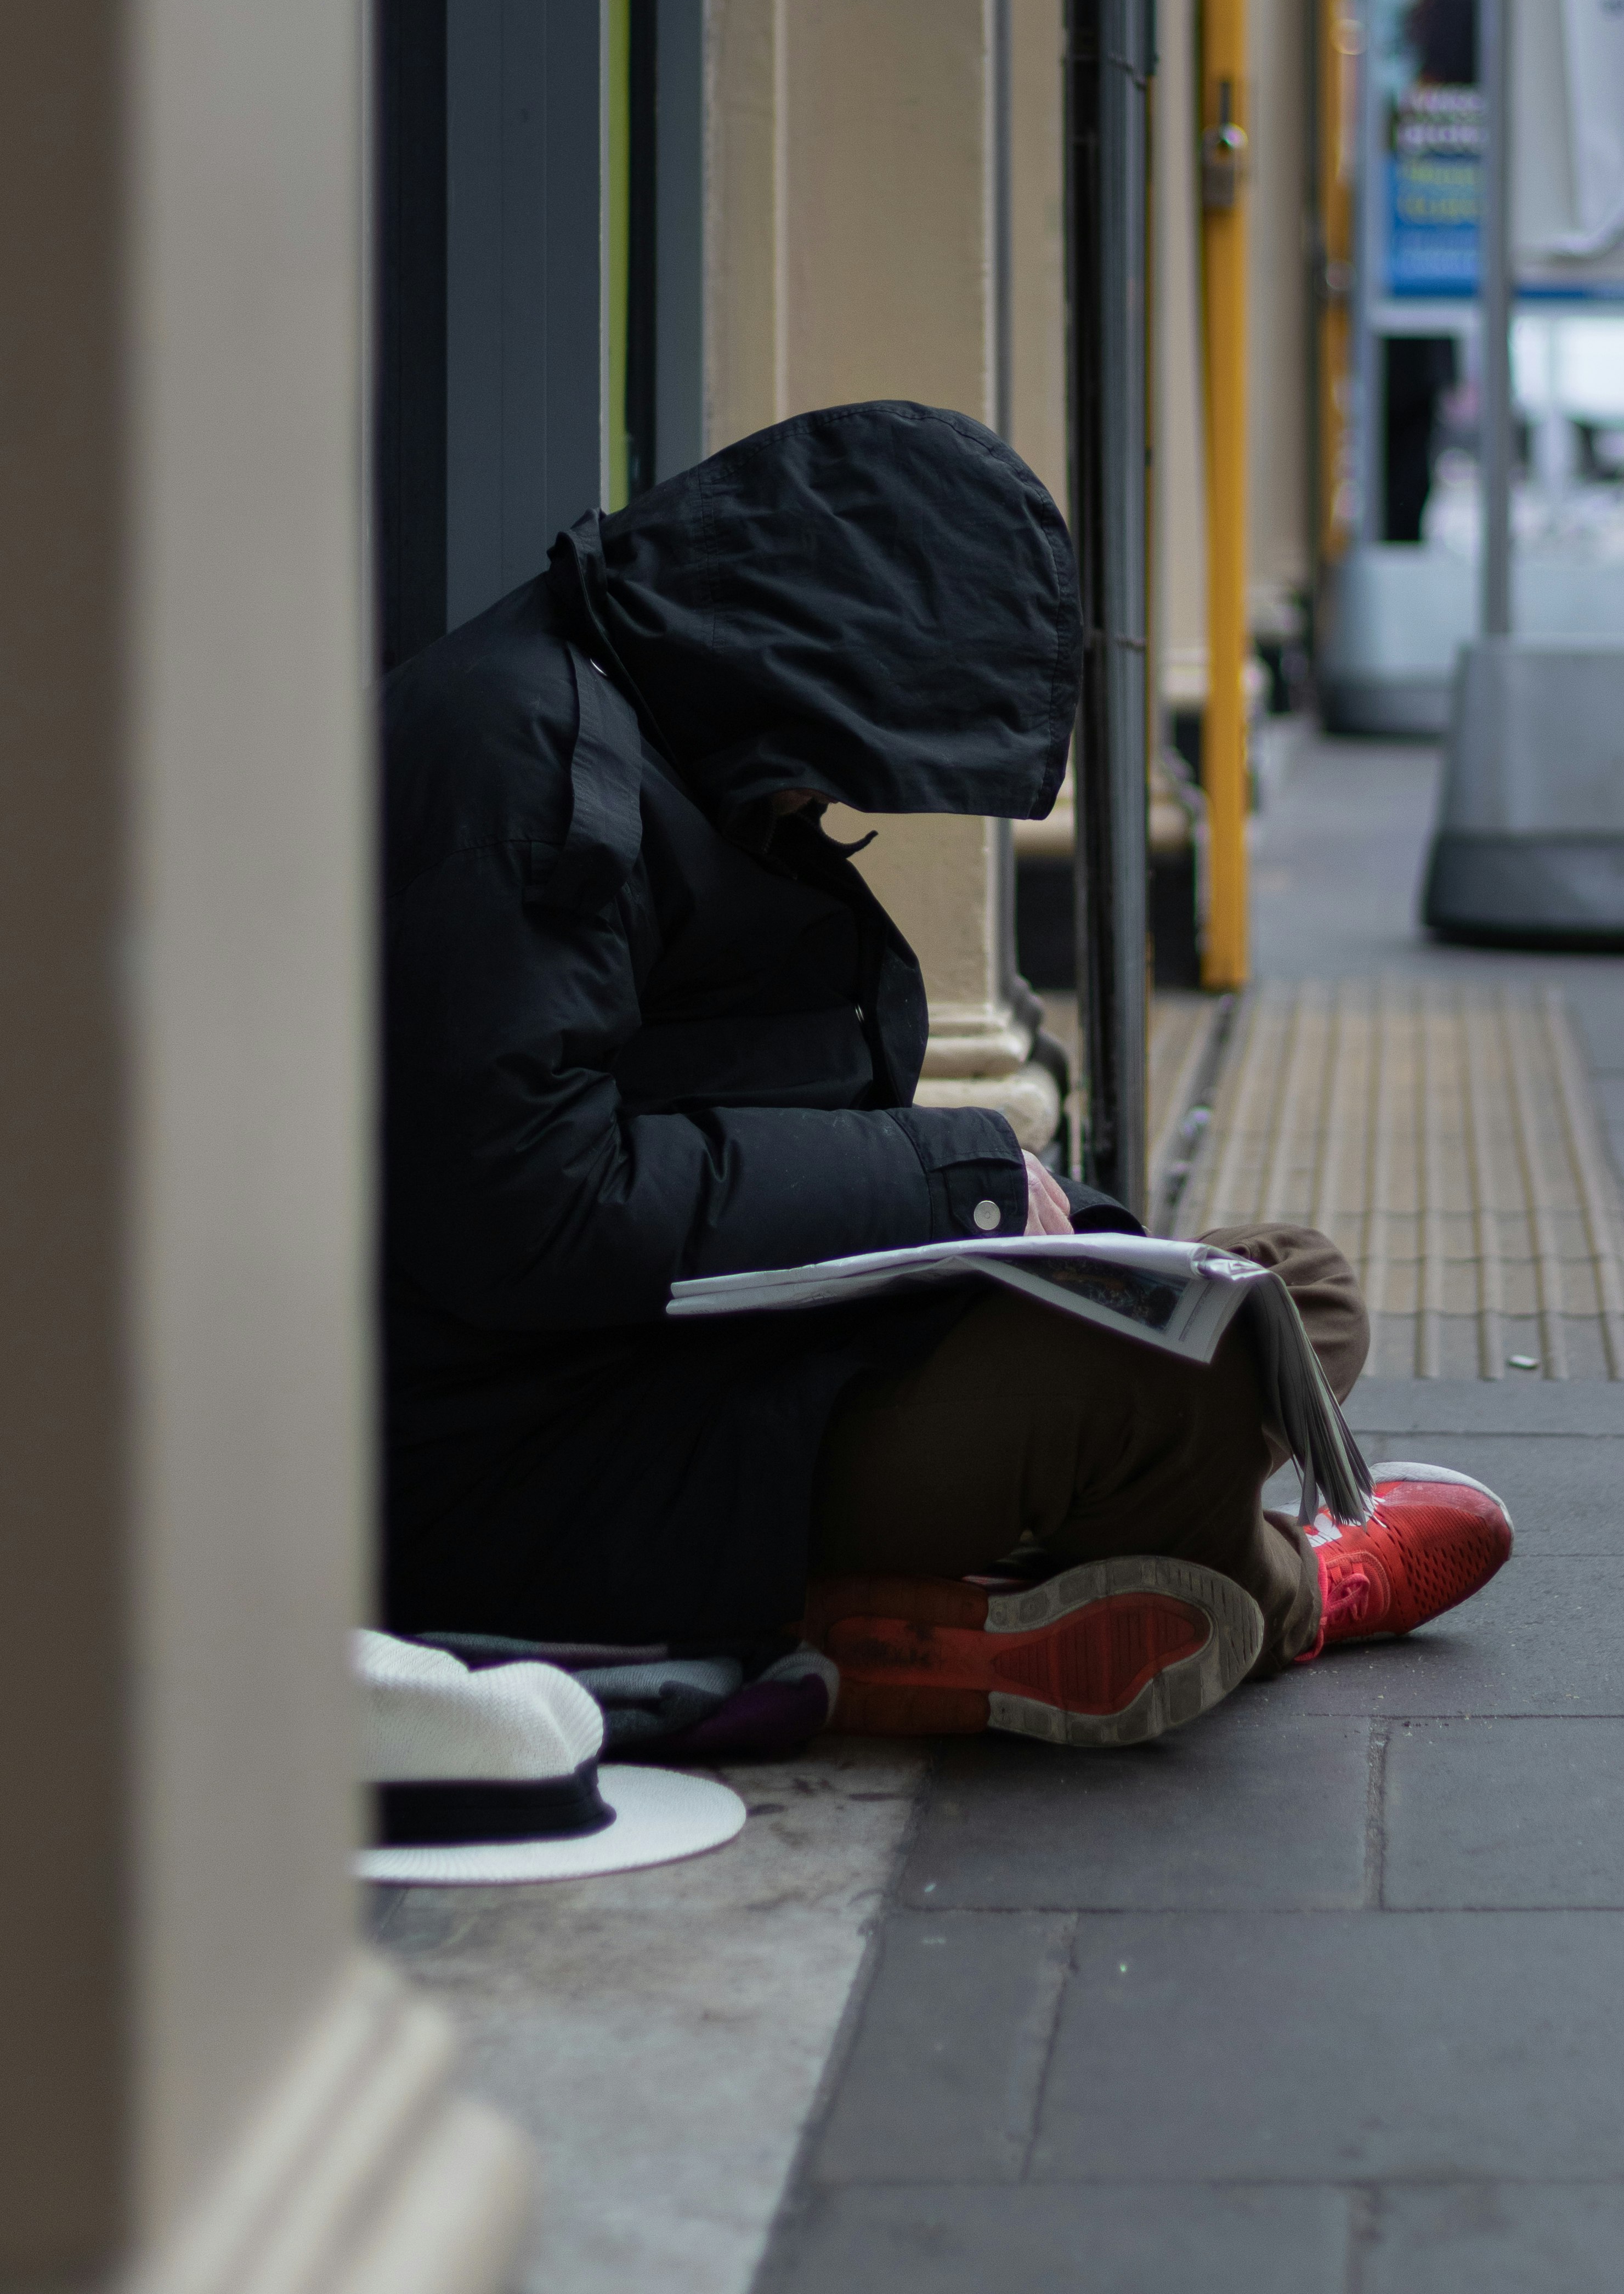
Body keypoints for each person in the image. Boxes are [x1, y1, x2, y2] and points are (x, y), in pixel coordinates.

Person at [381, 401, 1509, 1746]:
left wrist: (1058, 1233)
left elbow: (733, 1131)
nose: (845, 804)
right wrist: (953, 1181)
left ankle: (958, 1609)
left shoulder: (664, 727)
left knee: (1289, 1293)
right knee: (1179, 1402)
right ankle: (1283, 1588)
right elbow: (531, 1202)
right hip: (549, 1454)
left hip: (721, 1368)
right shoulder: (530, 775)